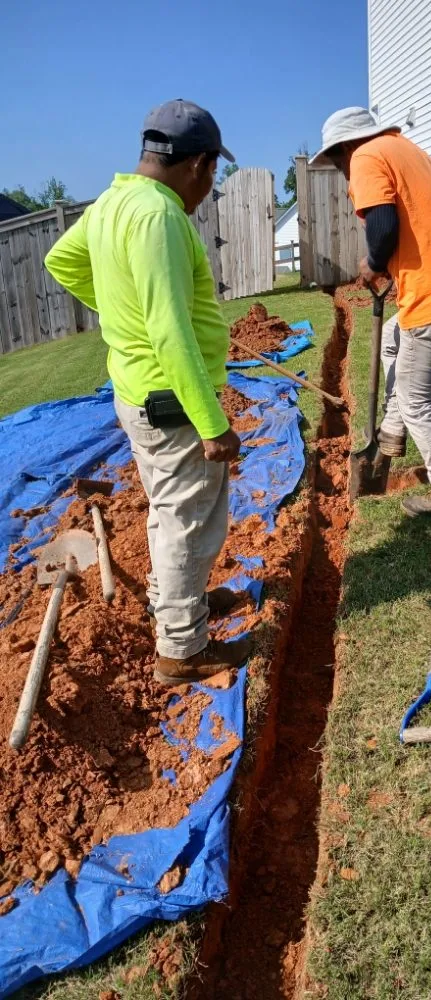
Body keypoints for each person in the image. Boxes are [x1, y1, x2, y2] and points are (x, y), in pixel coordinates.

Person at [45, 99, 251, 686]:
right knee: (190, 520)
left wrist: (119, 311)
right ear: (199, 165)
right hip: (171, 401)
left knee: (170, 512)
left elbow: (62, 261)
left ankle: (179, 609)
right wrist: (211, 421)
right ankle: (182, 651)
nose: (209, 185)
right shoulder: (159, 216)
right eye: (212, 173)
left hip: (138, 392)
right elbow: (169, 329)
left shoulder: (112, 202)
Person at [311, 107, 431, 517]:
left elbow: (385, 225)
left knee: (417, 400)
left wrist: (373, 263)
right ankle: (390, 434)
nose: (341, 169)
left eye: (336, 160)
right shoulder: (401, 149)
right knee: (393, 338)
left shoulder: (366, 156)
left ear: (345, 147)